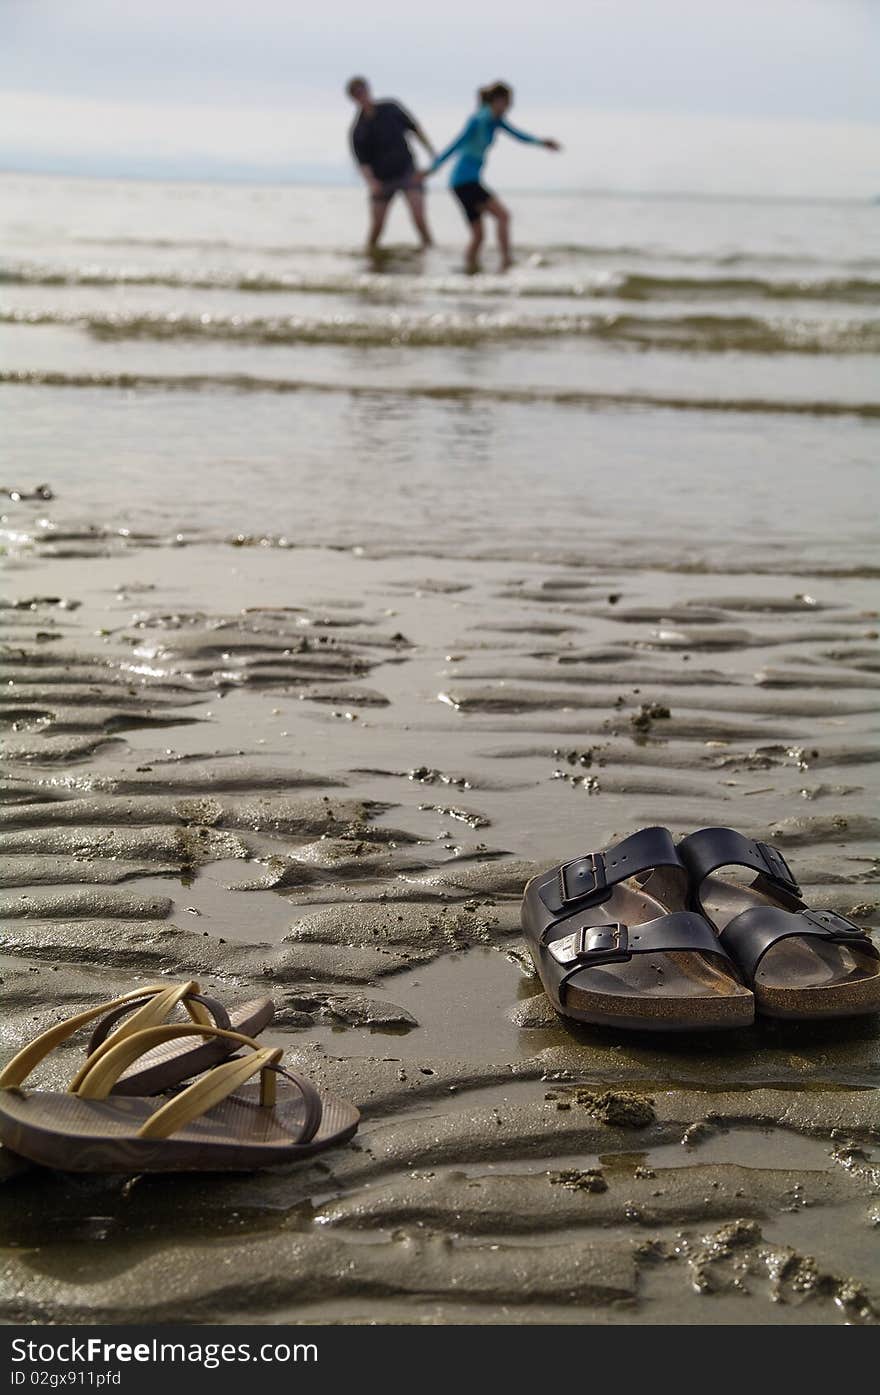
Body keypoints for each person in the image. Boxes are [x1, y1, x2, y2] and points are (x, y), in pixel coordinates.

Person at [422, 82, 560, 273]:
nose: (509, 107)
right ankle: (506, 262)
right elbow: (456, 144)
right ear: (497, 101)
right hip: (465, 181)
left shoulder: (496, 121)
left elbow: (519, 135)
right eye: (508, 103)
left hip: (462, 183)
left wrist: (542, 143)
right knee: (503, 216)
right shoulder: (479, 120)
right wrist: (432, 168)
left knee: (478, 236)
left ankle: (468, 273)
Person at [346, 76, 435, 253]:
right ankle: (371, 257)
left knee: (419, 217)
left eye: (362, 90)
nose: (361, 95)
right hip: (382, 180)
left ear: (368, 89)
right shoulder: (358, 130)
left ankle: (430, 253)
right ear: (352, 98)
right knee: (377, 226)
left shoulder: (391, 108)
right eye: (356, 94)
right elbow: (363, 164)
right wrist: (372, 184)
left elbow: (415, 128)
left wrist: (432, 154)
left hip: (407, 172)